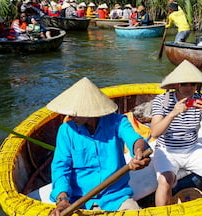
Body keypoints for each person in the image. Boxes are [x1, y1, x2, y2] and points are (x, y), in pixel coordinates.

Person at [47, 77, 151, 214]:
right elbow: (61, 168)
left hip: (116, 198)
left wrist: (139, 151)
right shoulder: (66, 131)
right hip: (79, 201)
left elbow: (136, 140)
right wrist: (63, 200)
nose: (70, 116)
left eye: (75, 112)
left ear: (90, 111)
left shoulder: (117, 122)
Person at [150, 60, 202, 206]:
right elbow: (155, 133)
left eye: (193, 84)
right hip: (167, 150)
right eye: (184, 84)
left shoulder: (200, 101)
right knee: (165, 182)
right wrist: (172, 114)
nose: (189, 87)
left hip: (191, 149)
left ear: (197, 86)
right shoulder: (162, 100)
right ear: (177, 85)